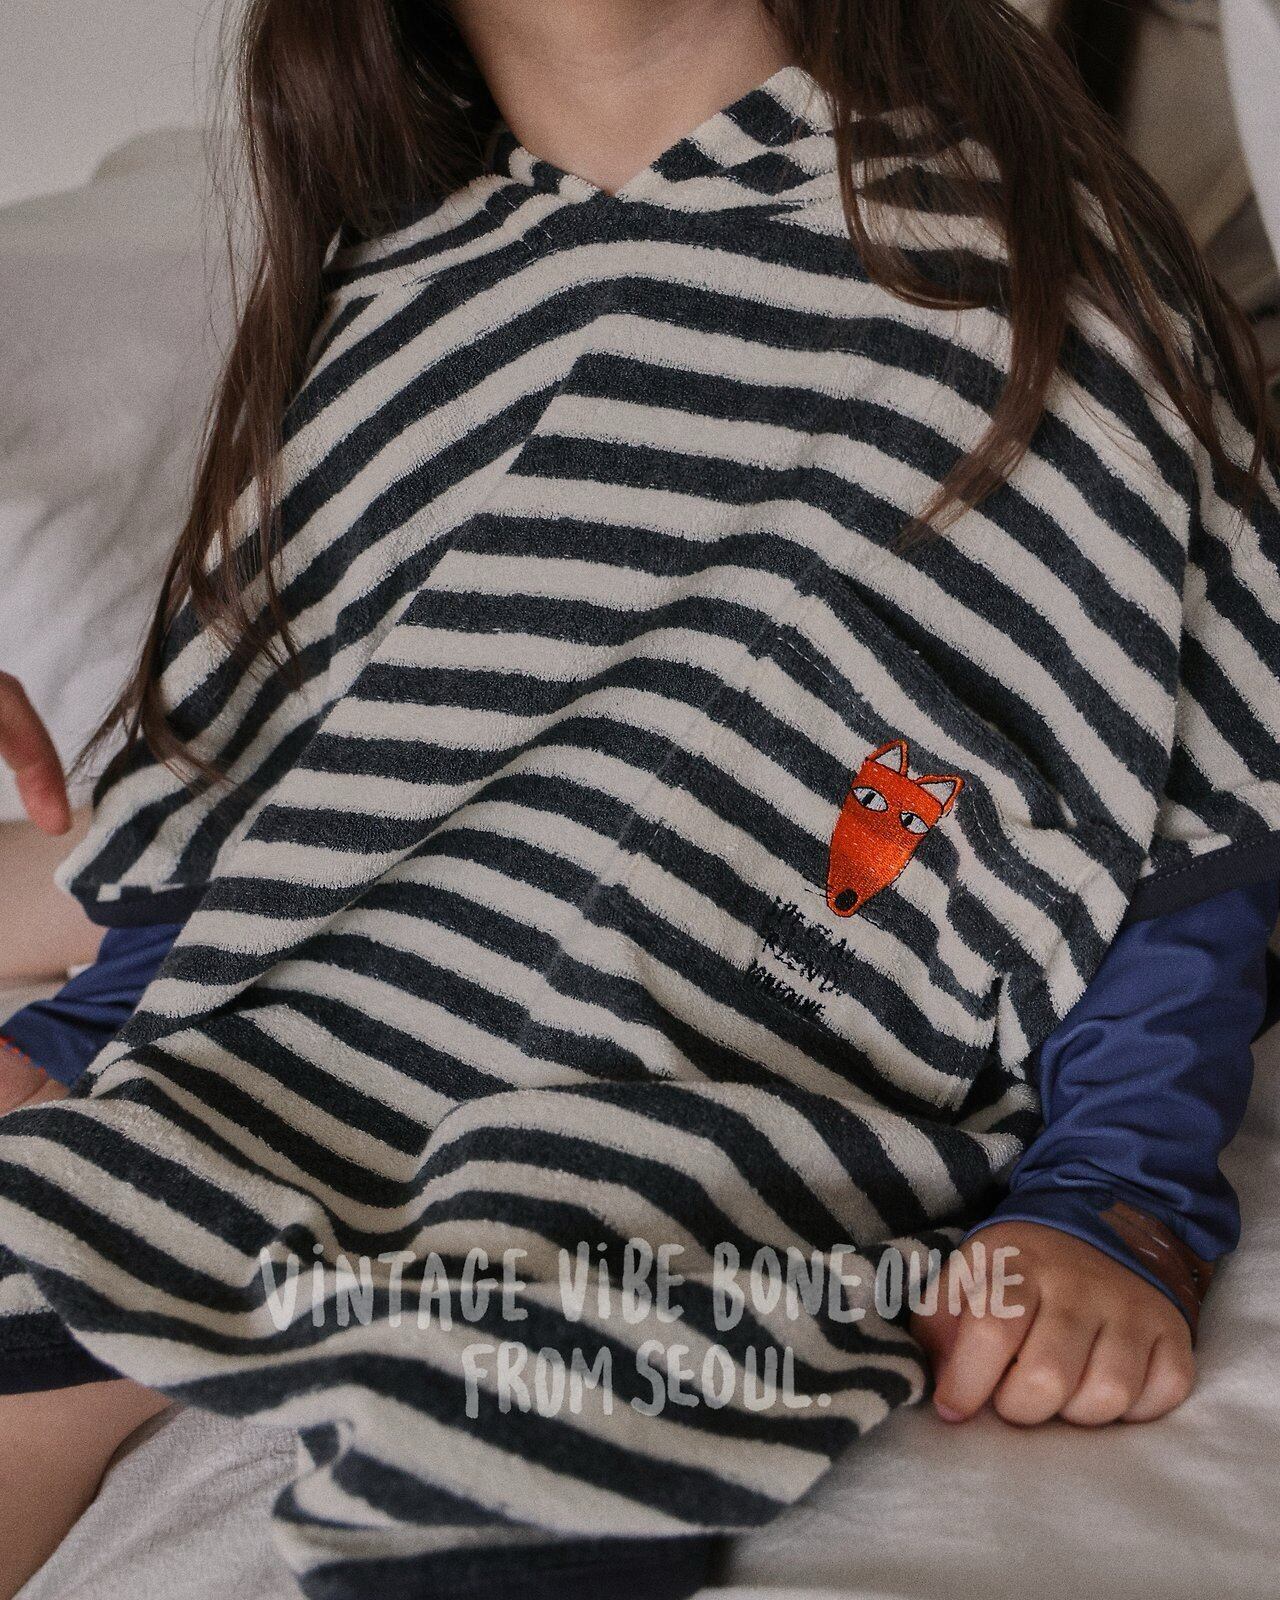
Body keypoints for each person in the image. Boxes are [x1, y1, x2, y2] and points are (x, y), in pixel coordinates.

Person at [0, 2, 1277, 1597]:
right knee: (47, 1272)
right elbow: (268, 793)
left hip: (701, 1133)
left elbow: (1178, 808)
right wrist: (82, 1045)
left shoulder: (1035, 273)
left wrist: (1114, 1204)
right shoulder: (391, 295)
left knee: (523, 1453)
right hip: (269, 1067)